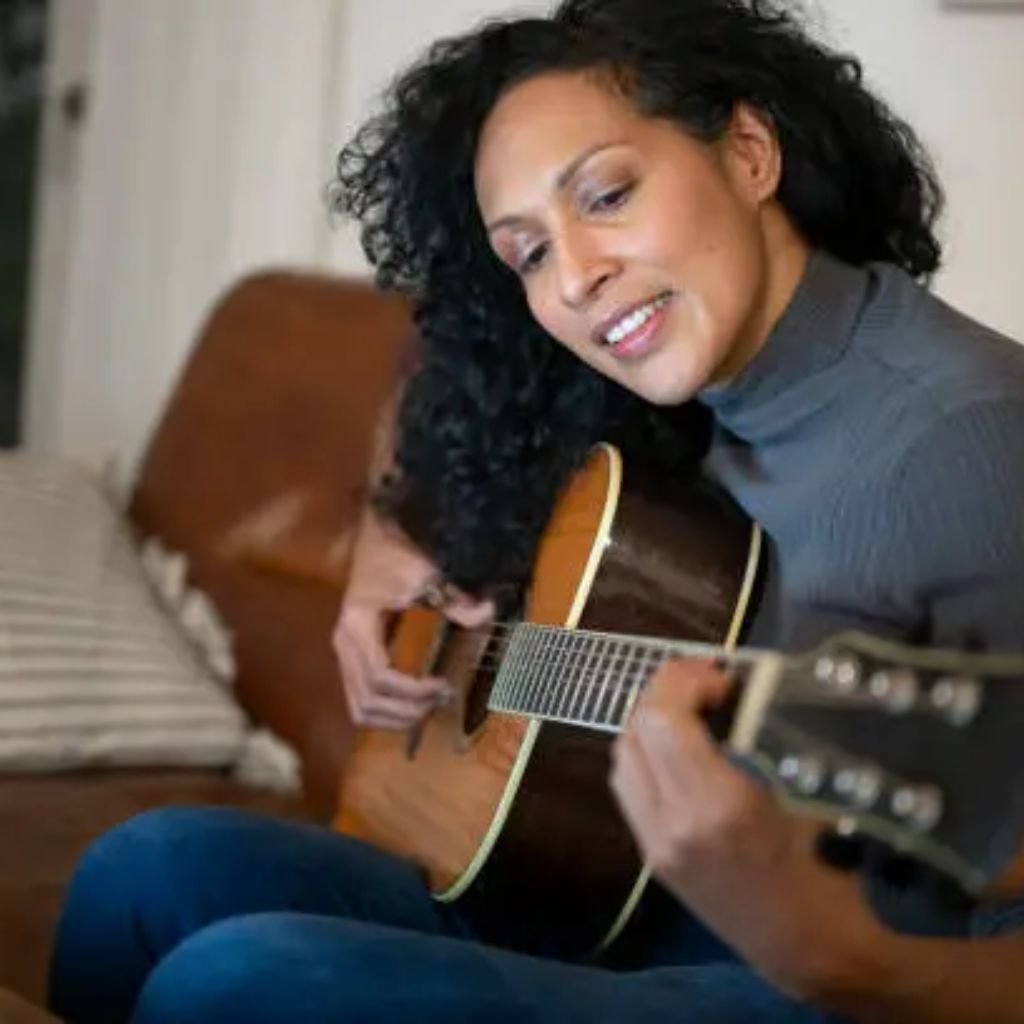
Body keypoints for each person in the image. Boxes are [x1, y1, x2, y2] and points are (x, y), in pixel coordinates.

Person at [49, 1, 1024, 1021]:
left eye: (606, 194)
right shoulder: (673, 385)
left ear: (746, 151)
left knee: (240, 980)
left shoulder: (966, 444)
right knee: (147, 869)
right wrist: (389, 536)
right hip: (616, 892)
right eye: (527, 256)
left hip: (830, 981)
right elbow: (446, 375)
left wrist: (841, 955)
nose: (575, 279)